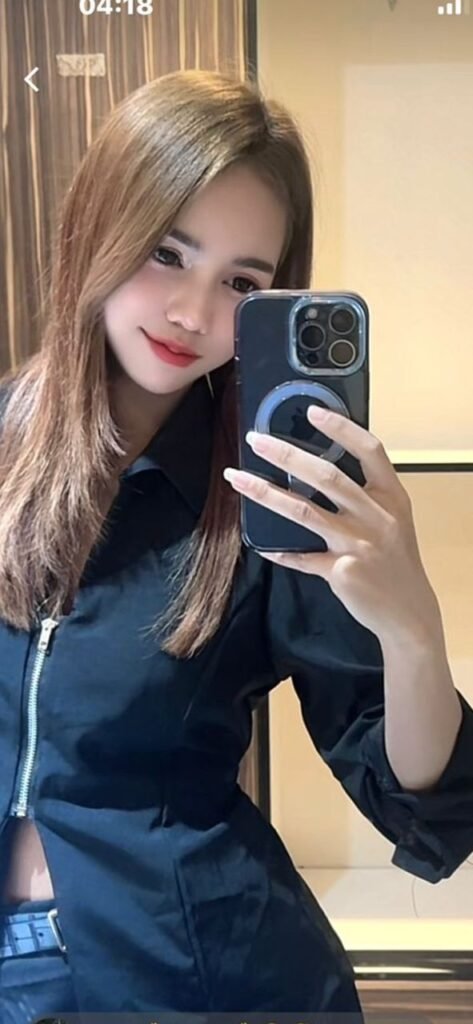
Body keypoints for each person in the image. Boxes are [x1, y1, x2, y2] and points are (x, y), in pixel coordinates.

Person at [0, 68, 472, 1023]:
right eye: (166, 252)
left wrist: (413, 630)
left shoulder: (270, 493)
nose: (191, 312)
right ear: (100, 224)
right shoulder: (9, 442)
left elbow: (420, 806)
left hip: (197, 977)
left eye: (241, 283)